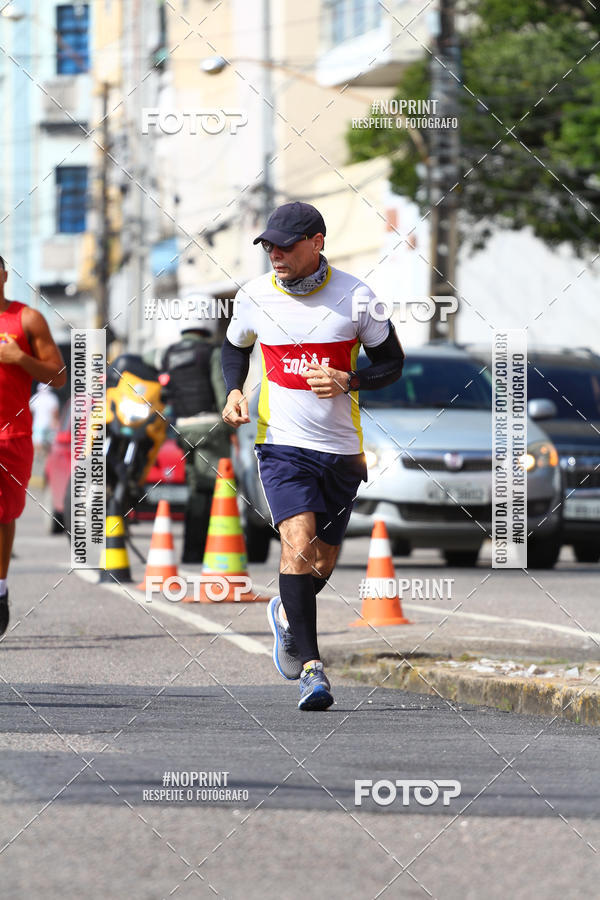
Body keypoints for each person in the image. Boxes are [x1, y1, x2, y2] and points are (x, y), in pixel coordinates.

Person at [221, 202, 404, 710]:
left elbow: (392, 364)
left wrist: (351, 379)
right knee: (296, 542)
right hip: (280, 444)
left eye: (286, 245)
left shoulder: (358, 297)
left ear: (317, 242)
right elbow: (234, 347)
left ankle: (285, 613)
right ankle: (312, 669)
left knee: (319, 563)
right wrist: (235, 389)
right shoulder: (255, 294)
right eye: (269, 246)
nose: (275, 254)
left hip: (341, 449)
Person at [0, 255, 66, 635]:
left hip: (14, 437)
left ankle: (1, 586)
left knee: (5, 516)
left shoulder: (27, 319)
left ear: (5, 276)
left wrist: (21, 358)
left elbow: (58, 376)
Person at [162, 317, 231, 563]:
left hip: (182, 428)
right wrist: (230, 424)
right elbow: (222, 394)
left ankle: (191, 551)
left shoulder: (169, 353)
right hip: (210, 428)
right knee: (212, 489)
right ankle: (211, 552)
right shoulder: (210, 352)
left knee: (195, 487)